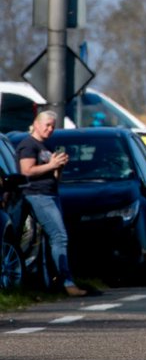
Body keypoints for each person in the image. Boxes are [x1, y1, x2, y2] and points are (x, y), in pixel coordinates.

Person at [17, 110, 86, 296]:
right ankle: (67, 283)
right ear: (36, 124)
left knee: (49, 240)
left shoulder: (45, 146)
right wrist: (51, 165)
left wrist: (59, 167)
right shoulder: (28, 145)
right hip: (37, 195)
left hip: (50, 194)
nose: (50, 129)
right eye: (47, 125)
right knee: (59, 236)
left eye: (53, 127)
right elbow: (26, 171)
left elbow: (54, 177)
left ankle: (50, 282)